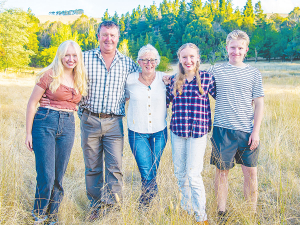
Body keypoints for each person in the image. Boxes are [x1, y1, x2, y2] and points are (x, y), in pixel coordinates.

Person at [78, 20, 139, 220]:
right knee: (93, 167)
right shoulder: (84, 58)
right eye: (105, 34)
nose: (108, 39)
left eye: (112, 35)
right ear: (98, 36)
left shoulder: (128, 63)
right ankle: (95, 206)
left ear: (118, 38)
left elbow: (137, 86)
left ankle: (113, 208)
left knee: (115, 167)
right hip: (89, 119)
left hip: (114, 123)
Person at [25, 40, 87, 224]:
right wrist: (28, 133)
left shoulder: (79, 78)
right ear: (60, 55)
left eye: (74, 55)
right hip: (45, 123)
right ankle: (39, 214)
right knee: (47, 175)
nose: (70, 59)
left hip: (68, 125)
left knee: (59, 176)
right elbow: (31, 103)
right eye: (67, 55)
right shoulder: (50, 75)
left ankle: (52, 217)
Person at [209, 30, 264, 221]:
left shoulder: (254, 73)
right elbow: (196, 81)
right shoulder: (216, 70)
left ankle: (251, 213)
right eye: (232, 47)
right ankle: (221, 212)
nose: (236, 51)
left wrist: (255, 132)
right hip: (222, 130)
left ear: (246, 50)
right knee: (222, 172)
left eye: (240, 48)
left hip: (247, 131)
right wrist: (167, 77)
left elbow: (259, 103)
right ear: (227, 48)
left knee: (251, 172)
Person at [165, 43, 215, 225]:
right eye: (184, 57)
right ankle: (186, 210)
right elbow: (163, 103)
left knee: (193, 174)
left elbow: (222, 97)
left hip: (198, 133)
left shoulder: (207, 79)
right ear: (179, 58)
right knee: (180, 173)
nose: (188, 60)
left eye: (192, 56)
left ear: (198, 58)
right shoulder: (172, 80)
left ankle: (201, 216)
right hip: (178, 131)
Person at [125, 44, 168, 208]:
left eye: (152, 60)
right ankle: (147, 203)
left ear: (156, 61)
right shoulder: (129, 80)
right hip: (137, 133)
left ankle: (146, 202)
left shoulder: (165, 79)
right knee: (146, 170)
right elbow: (122, 97)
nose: (148, 63)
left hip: (159, 132)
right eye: (144, 60)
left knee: (152, 170)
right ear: (139, 62)